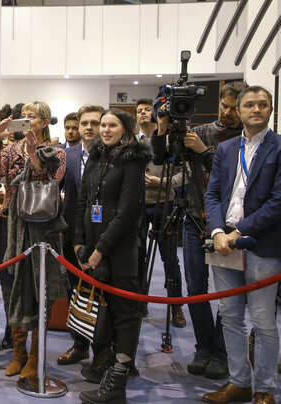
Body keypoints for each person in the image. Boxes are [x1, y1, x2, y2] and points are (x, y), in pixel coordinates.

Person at [202, 86, 281, 404]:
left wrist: (240, 232)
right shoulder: (226, 148)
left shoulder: (278, 148)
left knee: (262, 320)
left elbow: (278, 201)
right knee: (229, 316)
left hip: (261, 243)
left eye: (263, 104)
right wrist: (218, 231)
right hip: (223, 243)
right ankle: (239, 383)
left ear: (271, 109)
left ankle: (265, 388)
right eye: (249, 104)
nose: (256, 109)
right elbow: (213, 193)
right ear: (241, 108)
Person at [166, 80, 246, 379]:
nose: (228, 113)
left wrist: (202, 151)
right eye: (225, 106)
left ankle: (223, 352)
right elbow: (173, 167)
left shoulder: (245, 139)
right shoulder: (199, 132)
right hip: (193, 219)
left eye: (234, 108)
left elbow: (230, 179)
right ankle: (204, 347)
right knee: (196, 288)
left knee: (229, 293)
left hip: (229, 226)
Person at [75, 108, 151, 403]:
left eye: (112, 125)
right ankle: (105, 364)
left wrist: (100, 249)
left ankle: (118, 381)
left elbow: (127, 212)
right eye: (103, 125)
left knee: (123, 315)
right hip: (92, 248)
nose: (105, 130)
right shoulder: (96, 156)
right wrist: (80, 243)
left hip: (119, 251)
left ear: (125, 129)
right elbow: (83, 200)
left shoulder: (133, 160)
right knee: (100, 313)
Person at [0, 101, 67, 390]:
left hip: (42, 230)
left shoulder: (56, 152)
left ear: (44, 122)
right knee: (10, 288)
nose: (26, 121)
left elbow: (49, 178)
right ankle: (18, 351)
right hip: (12, 225)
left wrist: (34, 153)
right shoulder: (11, 150)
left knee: (40, 291)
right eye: (23, 117)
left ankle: (36, 357)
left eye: (32, 117)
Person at [56, 104, 106, 367]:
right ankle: (79, 344)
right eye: (84, 123)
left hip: (103, 234)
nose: (88, 128)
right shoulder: (68, 154)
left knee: (103, 293)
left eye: (94, 123)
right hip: (72, 233)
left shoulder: (111, 155)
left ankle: (102, 350)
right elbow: (58, 188)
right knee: (75, 291)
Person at [136, 97, 186, 329]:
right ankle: (139, 301)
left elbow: (185, 175)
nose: (144, 113)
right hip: (136, 206)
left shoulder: (171, 142)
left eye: (148, 110)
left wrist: (162, 182)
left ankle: (175, 305)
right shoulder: (131, 142)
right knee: (137, 257)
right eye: (140, 111)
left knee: (169, 259)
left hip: (164, 204)